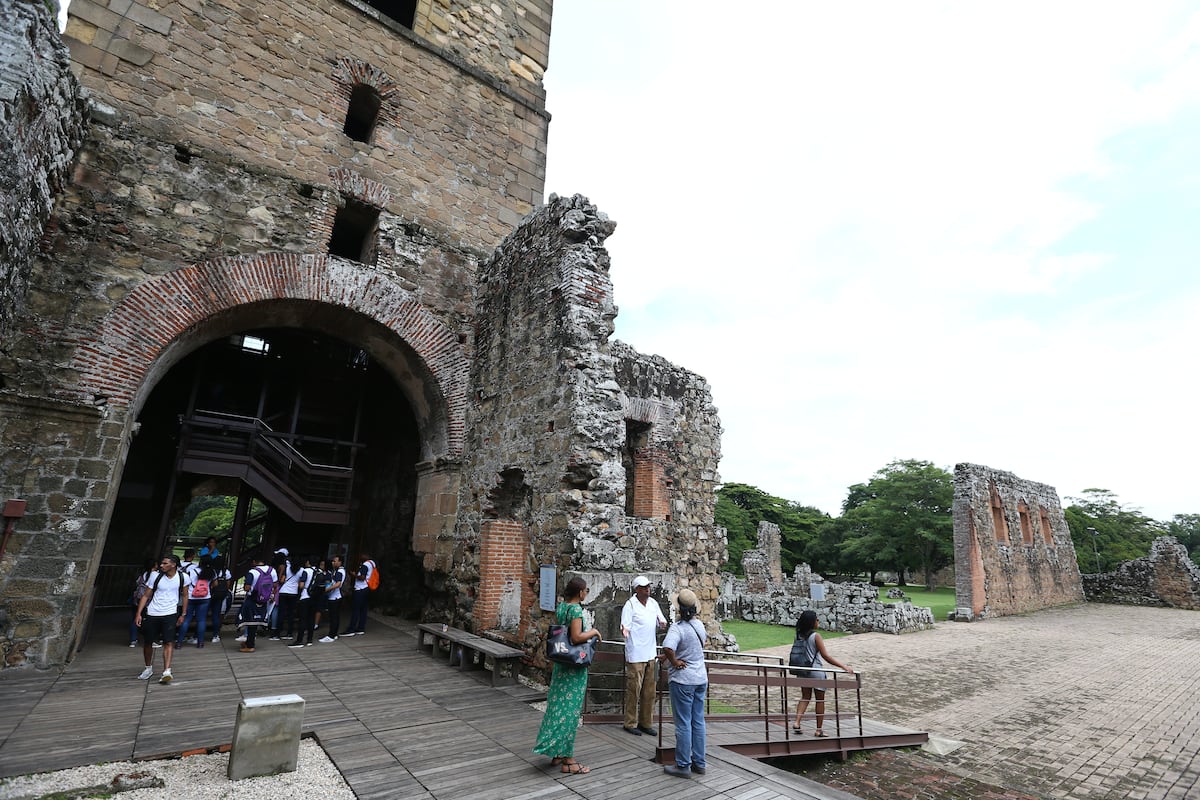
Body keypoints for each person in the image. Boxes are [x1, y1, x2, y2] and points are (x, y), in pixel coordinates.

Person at [533, 576, 600, 775]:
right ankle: (569, 760)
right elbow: (576, 637)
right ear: (580, 592)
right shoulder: (576, 610)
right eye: (586, 590)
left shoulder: (562, 607)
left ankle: (557, 752)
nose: (586, 593)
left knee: (557, 707)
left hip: (562, 666)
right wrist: (594, 632)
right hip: (574, 668)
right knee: (570, 712)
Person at [660, 588, 708, 778]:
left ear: (679, 608)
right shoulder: (700, 626)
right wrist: (672, 656)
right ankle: (700, 762)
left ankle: (683, 765)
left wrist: (673, 661)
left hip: (683, 680)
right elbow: (698, 646)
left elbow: (668, 646)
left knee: (683, 723)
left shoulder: (677, 628)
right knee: (698, 721)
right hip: (700, 677)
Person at [791, 609, 853, 737]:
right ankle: (819, 730)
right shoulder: (816, 636)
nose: (818, 621)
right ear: (811, 622)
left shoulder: (798, 635)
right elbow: (826, 656)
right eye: (816, 619)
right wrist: (843, 666)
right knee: (820, 700)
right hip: (815, 671)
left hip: (802, 671)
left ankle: (797, 722)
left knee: (805, 697)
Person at [620, 575, 666, 736]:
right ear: (637, 589)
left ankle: (646, 722)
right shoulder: (630, 605)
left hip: (650, 653)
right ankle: (630, 722)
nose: (648, 589)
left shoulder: (653, 603)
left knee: (649, 691)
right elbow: (624, 625)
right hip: (636, 654)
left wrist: (662, 623)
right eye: (644, 587)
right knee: (634, 690)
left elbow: (661, 620)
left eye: (648, 586)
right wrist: (625, 631)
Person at [134, 554, 188, 684]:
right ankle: (148, 668)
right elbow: (146, 595)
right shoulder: (155, 576)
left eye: (165, 563)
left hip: (170, 613)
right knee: (148, 642)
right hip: (153, 612)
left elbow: (185, 595)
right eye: (161, 563)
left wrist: (183, 614)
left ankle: (167, 671)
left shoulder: (183, 577)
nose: (161, 566)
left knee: (168, 642)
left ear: (173, 565)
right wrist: (139, 613)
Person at [238, 556, 275, 653]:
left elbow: (246, 588)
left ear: (254, 562)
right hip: (264, 599)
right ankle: (249, 641)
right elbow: (274, 585)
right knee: (256, 620)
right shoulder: (272, 570)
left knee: (250, 621)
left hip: (253, 598)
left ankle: (250, 645)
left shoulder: (252, 572)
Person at [176, 560, 212, 648]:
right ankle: (200, 642)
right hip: (205, 597)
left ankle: (179, 642)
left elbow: (185, 584)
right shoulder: (211, 572)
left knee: (186, 619)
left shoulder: (191, 572)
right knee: (201, 620)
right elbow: (215, 584)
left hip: (191, 597)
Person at [288, 555, 317, 648]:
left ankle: (299, 640)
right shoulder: (318, 571)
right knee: (311, 619)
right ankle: (309, 640)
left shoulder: (306, 571)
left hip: (305, 596)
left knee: (303, 619)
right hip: (314, 597)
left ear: (308, 562)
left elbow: (301, 585)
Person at [342, 553, 374, 636]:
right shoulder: (372, 563)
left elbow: (362, 577)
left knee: (356, 609)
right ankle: (361, 628)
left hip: (360, 588)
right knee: (363, 609)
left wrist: (354, 575)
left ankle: (351, 629)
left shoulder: (365, 565)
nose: (360, 557)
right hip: (367, 588)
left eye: (361, 556)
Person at [271, 548, 298, 641]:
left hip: (283, 591)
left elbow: (281, 580)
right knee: (291, 613)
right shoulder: (299, 569)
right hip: (294, 593)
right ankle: (289, 633)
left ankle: (277, 633)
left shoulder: (283, 566)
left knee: (280, 612)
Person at [319, 554, 346, 643]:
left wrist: (327, 589)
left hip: (334, 597)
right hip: (336, 596)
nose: (333, 562)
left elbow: (338, 584)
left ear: (340, 562)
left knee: (333, 617)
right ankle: (334, 634)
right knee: (335, 617)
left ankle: (331, 635)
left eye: (335, 561)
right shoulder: (337, 571)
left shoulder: (339, 571)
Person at [128, 559, 154, 647]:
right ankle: (149, 640)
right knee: (149, 621)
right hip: (148, 601)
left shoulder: (142, 574)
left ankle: (133, 640)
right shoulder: (154, 576)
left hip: (137, 599)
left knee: (135, 619)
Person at [208, 556, 232, 643]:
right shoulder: (226, 572)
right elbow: (228, 584)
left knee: (202, 615)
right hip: (220, 595)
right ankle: (215, 635)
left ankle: (197, 636)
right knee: (216, 615)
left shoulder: (211, 571)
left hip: (209, 594)